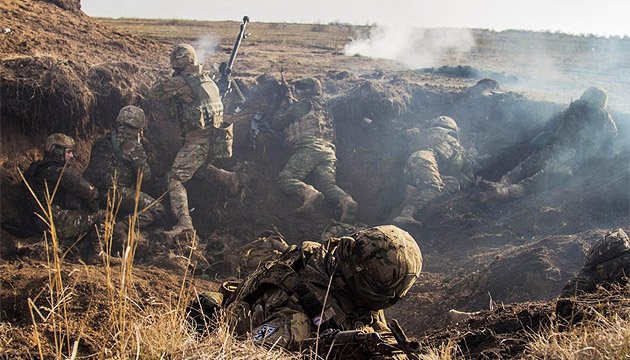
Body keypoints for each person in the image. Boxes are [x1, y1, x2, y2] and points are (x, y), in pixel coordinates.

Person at [190, 225, 423, 359]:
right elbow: (247, 350)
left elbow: (376, 329)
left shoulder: (346, 277)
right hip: (246, 328)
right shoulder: (298, 318)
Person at [150, 43, 239, 238]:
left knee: (175, 178)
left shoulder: (181, 82)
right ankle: (228, 178)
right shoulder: (207, 80)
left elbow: (154, 92)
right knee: (197, 165)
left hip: (199, 139)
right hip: (216, 138)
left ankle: (184, 223)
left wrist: (173, 79)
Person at [479, 86, 618, 202]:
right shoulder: (603, 118)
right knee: (532, 184)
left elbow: (551, 126)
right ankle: (501, 193)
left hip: (549, 147)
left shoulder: (573, 109)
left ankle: (499, 185)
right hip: (566, 158)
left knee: (521, 170)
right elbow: (608, 141)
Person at [270, 77, 358, 222]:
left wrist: (283, 104)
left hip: (310, 147)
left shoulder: (303, 105)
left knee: (285, 179)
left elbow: (277, 122)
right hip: (329, 151)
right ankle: (346, 201)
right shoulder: (326, 109)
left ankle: (309, 192)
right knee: (328, 186)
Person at [84, 105, 164, 229]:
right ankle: (124, 226)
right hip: (115, 194)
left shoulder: (102, 140)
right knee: (157, 208)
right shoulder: (133, 146)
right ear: (138, 126)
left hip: (92, 193)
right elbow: (145, 176)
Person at [22, 133, 105, 241]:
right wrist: (97, 194)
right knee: (103, 215)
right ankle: (95, 255)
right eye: (69, 152)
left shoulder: (37, 169)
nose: (71, 156)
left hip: (37, 222)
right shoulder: (56, 171)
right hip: (53, 222)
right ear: (57, 151)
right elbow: (85, 189)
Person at [392, 116, 471, 226]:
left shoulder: (422, 133)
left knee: (451, 182)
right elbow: (456, 164)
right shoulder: (450, 138)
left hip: (411, 163)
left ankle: (412, 195)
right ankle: (405, 214)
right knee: (433, 189)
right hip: (426, 161)